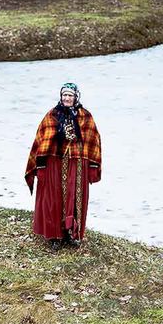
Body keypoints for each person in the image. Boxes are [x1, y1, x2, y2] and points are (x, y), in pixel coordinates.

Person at [25, 82, 102, 249]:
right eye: (64, 95)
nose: (67, 98)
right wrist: (41, 165)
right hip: (55, 162)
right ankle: (55, 236)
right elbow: (41, 140)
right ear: (61, 97)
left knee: (75, 198)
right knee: (53, 198)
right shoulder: (52, 115)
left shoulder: (85, 116)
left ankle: (72, 233)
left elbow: (93, 140)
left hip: (77, 162)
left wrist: (93, 167)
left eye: (70, 95)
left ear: (76, 97)